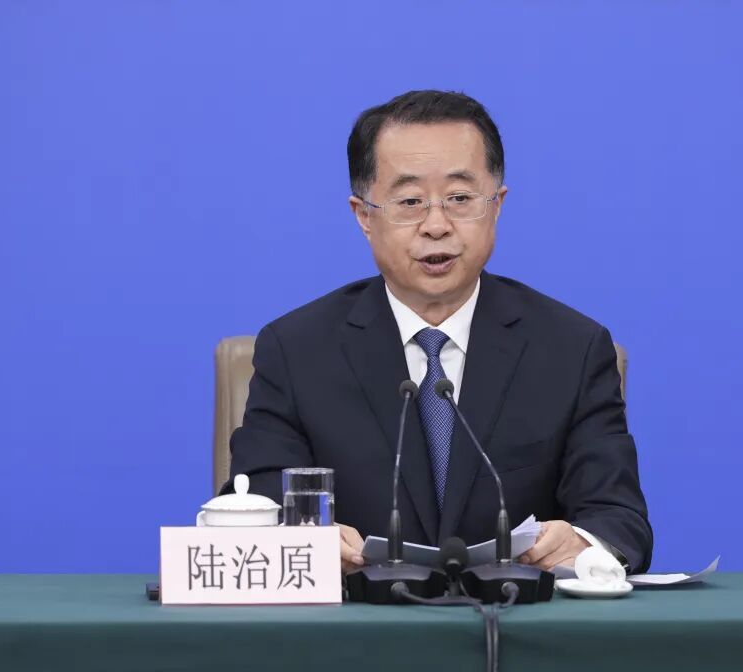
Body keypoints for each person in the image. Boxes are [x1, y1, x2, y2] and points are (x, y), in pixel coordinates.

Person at [225, 90, 652, 575]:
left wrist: (583, 544)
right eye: (410, 201)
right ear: (364, 215)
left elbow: (618, 518)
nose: (436, 225)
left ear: (496, 205)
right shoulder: (297, 351)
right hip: (357, 616)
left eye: (460, 199)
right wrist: (305, 542)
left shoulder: (571, 349)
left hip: (517, 616)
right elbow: (253, 506)